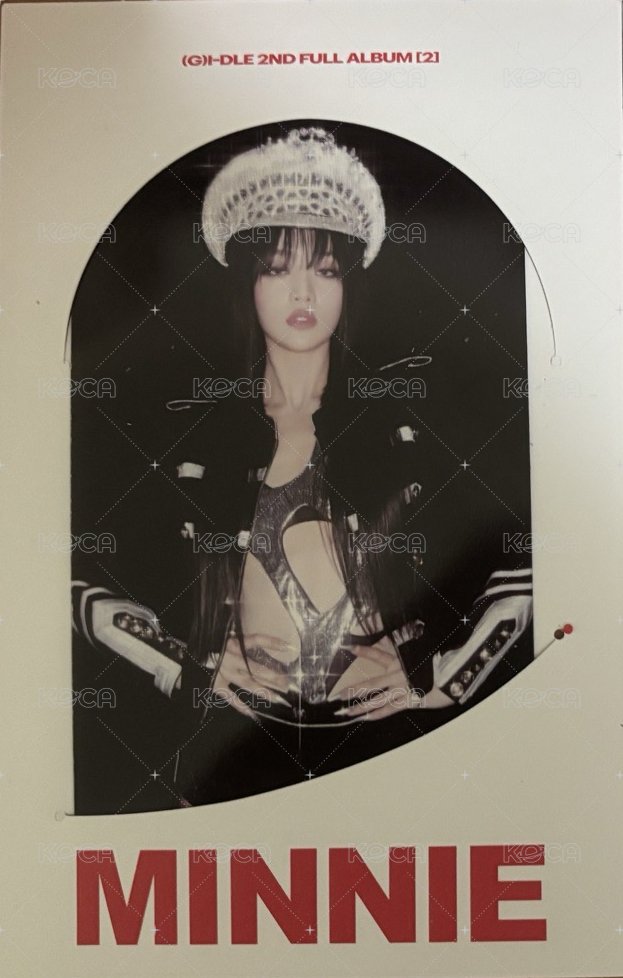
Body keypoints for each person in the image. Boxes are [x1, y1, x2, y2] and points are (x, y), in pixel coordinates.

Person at [73, 126, 533, 807]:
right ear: (246, 280)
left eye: (324, 270)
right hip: (229, 762)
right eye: (276, 267)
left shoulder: (413, 421)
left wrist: (441, 669)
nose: (302, 293)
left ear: (348, 283)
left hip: (394, 755)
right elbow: (72, 575)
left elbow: (531, 560)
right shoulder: (187, 434)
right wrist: (182, 663)